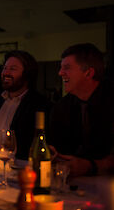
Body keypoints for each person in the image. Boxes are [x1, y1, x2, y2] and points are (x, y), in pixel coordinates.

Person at [49, 43, 114, 177]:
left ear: (88, 73)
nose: (60, 73)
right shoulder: (62, 106)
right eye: (61, 68)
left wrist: (91, 166)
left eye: (67, 68)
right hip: (74, 183)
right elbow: (58, 145)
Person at [0, 50, 51, 160]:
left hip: (17, 164)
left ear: (27, 74)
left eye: (12, 69)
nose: (5, 73)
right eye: (5, 68)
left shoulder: (39, 104)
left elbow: (34, 144)